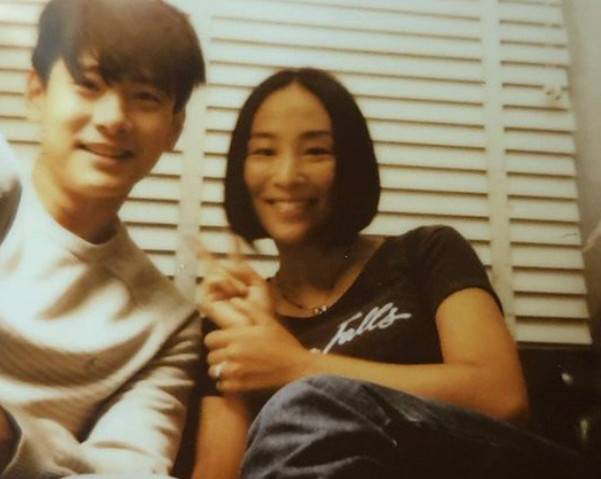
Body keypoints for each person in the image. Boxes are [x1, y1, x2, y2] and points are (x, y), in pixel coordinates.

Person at [192, 68, 597, 478]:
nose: (287, 176)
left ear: (351, 163)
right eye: (264, 151)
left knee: (307, 404)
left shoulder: (427, 252)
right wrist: (249, 348)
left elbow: (501, 397)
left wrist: (297, 366)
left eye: (316, 151)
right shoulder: (239, 318)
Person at [0, 0, 205, 477]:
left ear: (174, 129)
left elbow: (129, 470)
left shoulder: (167, 325)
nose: (114, 118)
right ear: (36, 92)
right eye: (88, 85)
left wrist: (9, 438)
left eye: (146, 97)